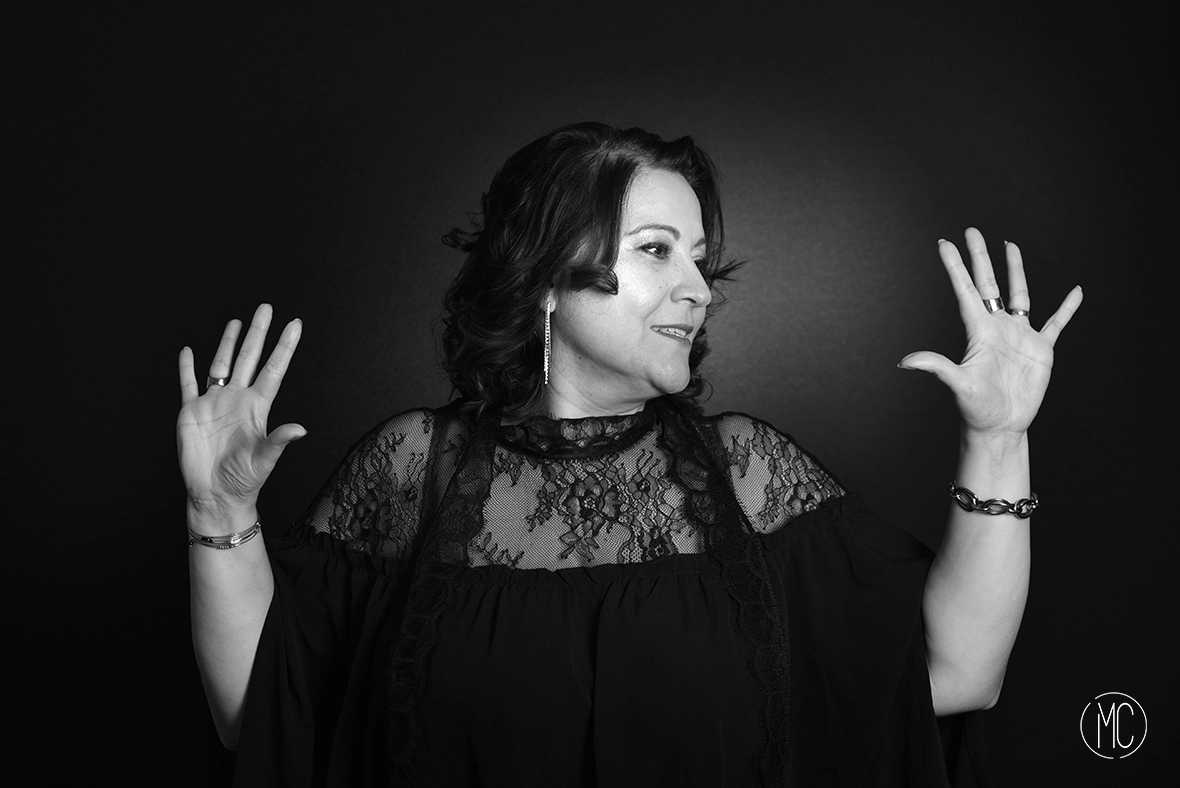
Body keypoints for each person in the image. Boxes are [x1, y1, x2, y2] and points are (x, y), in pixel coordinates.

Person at [177, 122, 1082, 786]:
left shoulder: (748, 476)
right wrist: (218, 517)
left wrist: (998, 439)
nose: (699, 289)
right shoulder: (412, 468)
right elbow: (257, 717)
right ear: (545, 278)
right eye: (656, 251)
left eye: (700, 259)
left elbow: (961, 674)